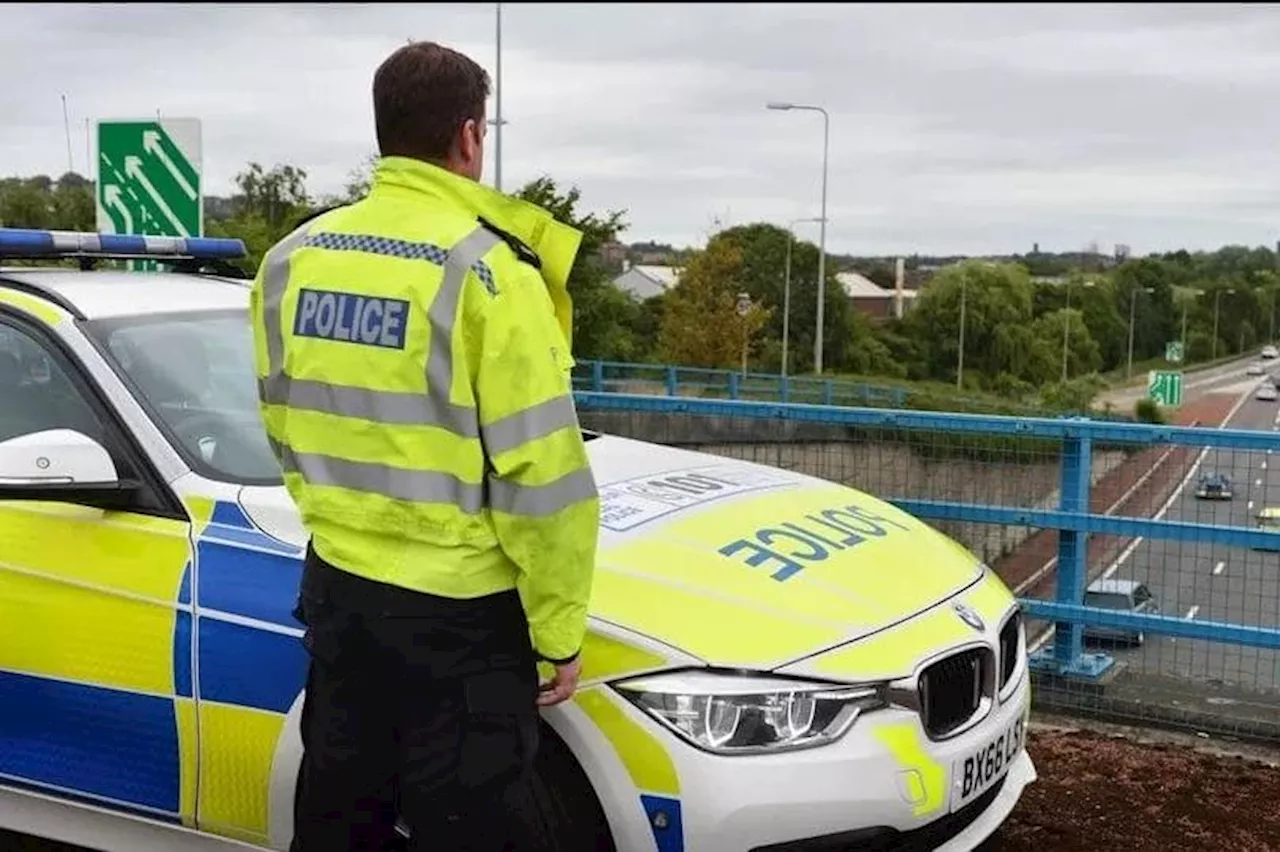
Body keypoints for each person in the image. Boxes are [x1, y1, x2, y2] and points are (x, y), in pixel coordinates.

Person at [249, 40, 600, 852]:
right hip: (461, 619)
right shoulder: (490, 272)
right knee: (467, 823)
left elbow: (281, 420)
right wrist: (559, 634)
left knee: (339, 812)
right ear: (469, 137)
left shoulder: (291, 259)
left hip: (339, 590)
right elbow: (541, 476)